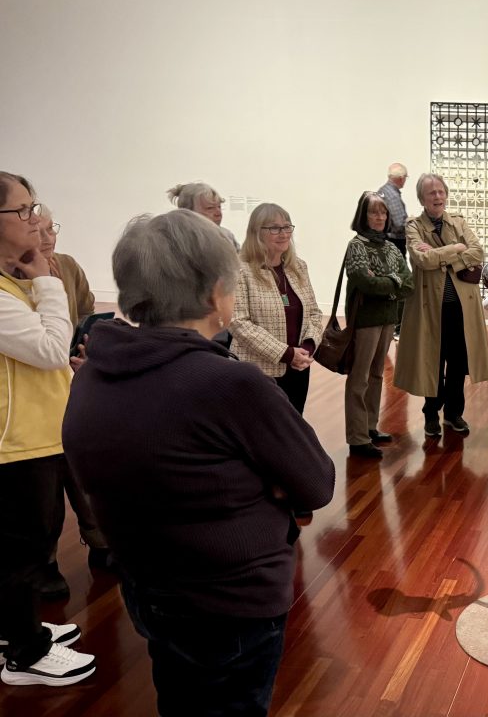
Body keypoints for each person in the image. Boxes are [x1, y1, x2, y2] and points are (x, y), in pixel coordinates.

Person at [63, 209, 335, 716]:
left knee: (182, 698)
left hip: (149, 587)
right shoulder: (230, 386)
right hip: (230, 606)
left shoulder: (93, 374)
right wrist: (261, 487)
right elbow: (316, 482)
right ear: (216, 294)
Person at [0, 172, 96, 687]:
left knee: (28, 544)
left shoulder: (12, 281)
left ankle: (16, 628)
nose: (36, 220)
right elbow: (49, 348)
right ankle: (24, 654)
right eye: (24, 210)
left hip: (35, 433)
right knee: (22, 549)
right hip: (15, 442)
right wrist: (48, 281)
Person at [37, 205, 112, 597]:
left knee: (83, 465)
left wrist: (88, 347)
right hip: (35, 392)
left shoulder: (67, 266)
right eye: (40, 228)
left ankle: (101, 543)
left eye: (53, 228)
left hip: (71, 381)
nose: (49, 236)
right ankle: (45, 561)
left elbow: (86, 313)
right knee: (44, 483)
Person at [394, 174, 488, 436]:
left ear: (446, 194)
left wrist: (444, 256)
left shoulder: (458, 221)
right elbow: (421, 260)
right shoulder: (413, 226)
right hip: (430, 308)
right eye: (430, 193)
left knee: (458, 362)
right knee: (432, 361)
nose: (437, 197)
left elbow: (477, 252)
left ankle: (453, 414)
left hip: (460, 307)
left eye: (440, 192)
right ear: (422, 199)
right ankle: (430, 416)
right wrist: (456, 249)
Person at [230, 203, 323, 414]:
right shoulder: (240, 270)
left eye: (287, 227)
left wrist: (307, 348)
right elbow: (238, 322)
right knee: (260, 435)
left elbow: (315, 313)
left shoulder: (298, 267)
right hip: (258, 371)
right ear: (257, 232)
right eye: (274, 228)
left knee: (292, 429)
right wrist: (286, 353)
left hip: (298, 367)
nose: (283, 234)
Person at [343, 192, 413, 458]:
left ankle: (370, 427)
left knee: (376, 375)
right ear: (364, 216)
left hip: (387, 317)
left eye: (383, 213)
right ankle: (357, 437)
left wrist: (388, 281)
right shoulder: (357, 246)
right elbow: (364, 282)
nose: (379, 217)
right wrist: (393, 282)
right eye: (374, 212)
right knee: (359, 377)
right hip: (365, 319)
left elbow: (408, 283)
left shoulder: (391, 247)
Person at [378, 163, 410, 338]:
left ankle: (387, 327)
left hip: (384, 244)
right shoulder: (393, 196)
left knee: (389, 284)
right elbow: (398, 223)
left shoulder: (381, 191)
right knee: (403, 283)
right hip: (394, 244)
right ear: (400, 178)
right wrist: (411, 226)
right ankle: (398, 328)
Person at [167, 181, 240, 250]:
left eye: (219, 207)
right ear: (188, 213)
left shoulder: (227, 236)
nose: (218, 213)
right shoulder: (177, 241)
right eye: (210, 208)